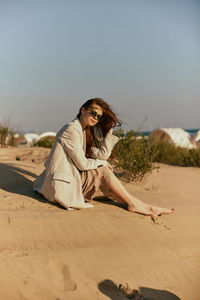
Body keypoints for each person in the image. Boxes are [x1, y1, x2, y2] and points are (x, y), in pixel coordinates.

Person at [33, 98, 174, 217]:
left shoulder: (83, 131)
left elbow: (102, 155)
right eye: (93, 113)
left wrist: (109, 132)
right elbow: (82, 164)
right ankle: (134, 204)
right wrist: (102, 164)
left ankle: (143, 205)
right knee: (104, 172)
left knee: (108, 183)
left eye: (98, 117)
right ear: (83, 110)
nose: (95, 118)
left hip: (71, 179)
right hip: (61, 185)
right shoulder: (72, 129)